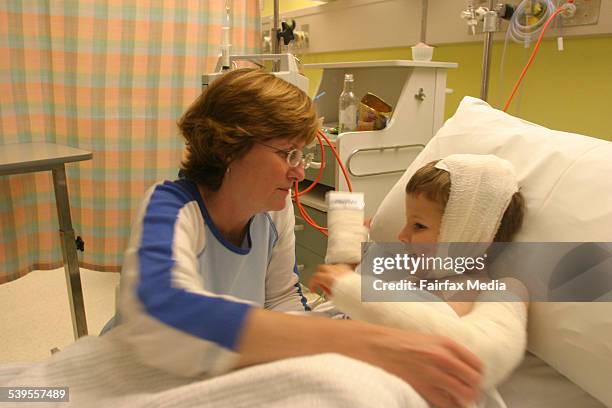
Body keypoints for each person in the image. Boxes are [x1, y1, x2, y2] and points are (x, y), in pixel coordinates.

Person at [109, 68, 482, 407]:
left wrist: (328, 347)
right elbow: (159, 309)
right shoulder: (171, 207)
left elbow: (282, 299)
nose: (299, 172)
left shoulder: (274, 209)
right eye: (288, 154)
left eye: (300, 154)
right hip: (141, 371)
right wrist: (364, 343)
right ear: (227, 147)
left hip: (226, 363)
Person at [310, 155, 529, 407]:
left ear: (470, 235)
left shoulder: (499, 290)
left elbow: (478, 356)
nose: (402, 235)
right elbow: (351, 282)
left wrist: (350, 288)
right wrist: (350, 245)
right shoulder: (408, 268)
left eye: (419, 226)